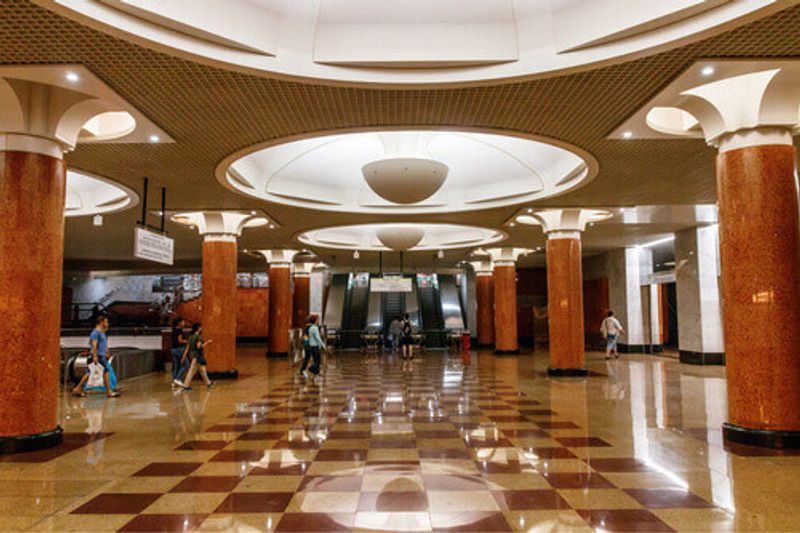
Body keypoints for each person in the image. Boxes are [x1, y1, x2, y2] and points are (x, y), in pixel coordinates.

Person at [72, 315, 120, 398]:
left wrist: (107, 352)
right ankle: (109, 391)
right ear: (101, 322)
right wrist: (94, 356)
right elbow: (94, 345)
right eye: (106, 322)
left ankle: (78, 388)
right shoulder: (95, 333)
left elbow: (104, 344)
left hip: (101, 355)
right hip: (98, 355)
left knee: (91, 373)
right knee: (105, 372)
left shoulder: (102, 333)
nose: (107, 324)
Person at [178, 322, 214, 390]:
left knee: (202, 370)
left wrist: (183, 356)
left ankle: (208, 383)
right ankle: (186, 385)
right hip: (197, 356)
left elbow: (187, 348)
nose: (202, 328)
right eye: (201, 327)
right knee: (192, 371)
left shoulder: (190, 337)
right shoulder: (198, 337)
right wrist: (207, 343)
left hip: (192, 355)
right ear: (198, 328)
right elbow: (198, 347)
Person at [171, 317, 189, 387]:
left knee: (176, 365)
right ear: (179, 323)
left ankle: (174, 381)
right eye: (183, 322)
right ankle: (178, 379)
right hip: (179, 349)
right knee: (186, 365)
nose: (184, 323)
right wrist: (187, 341)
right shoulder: (179, 331)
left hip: (173, 349)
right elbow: (180, 340)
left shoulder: (173, 330)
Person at [306, 315, 325, 380]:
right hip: (315, 347)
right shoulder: (315, 328)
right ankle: (309, 369)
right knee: (318, 362)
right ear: (315, 320)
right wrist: (323, 345)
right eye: (317, 319)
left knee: (315, 361)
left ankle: (315, 376)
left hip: (311, 346)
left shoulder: (310, 328)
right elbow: (317, 338)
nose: (318, 321)